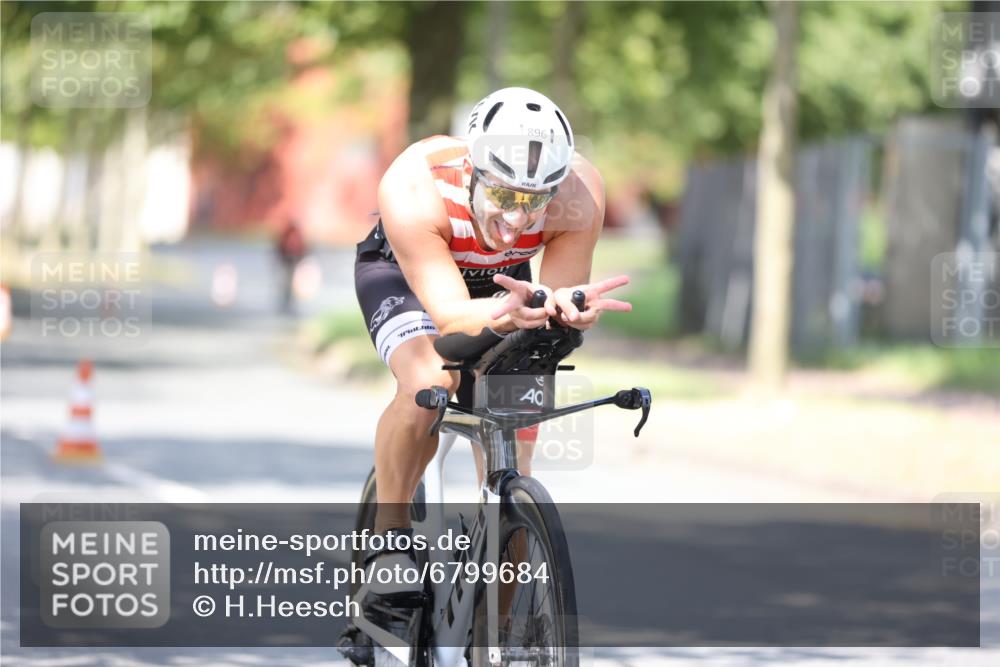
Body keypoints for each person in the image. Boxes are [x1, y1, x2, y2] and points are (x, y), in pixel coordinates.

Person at [353, 87, 631, 593]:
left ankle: (499, 632)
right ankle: (387, 542)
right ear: (472, 170)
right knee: (430, 381)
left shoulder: (578, 192)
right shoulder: (418, 182)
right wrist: (509, 316)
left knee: (514, 446)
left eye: (534, 200)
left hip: (507, 289)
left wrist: (567, 308)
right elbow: (452, 316)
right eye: (503, 195)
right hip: (412, 281)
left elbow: (555, 295)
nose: (519, 218)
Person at [276, 217, 307, 313]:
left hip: (294, 261)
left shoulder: (295, 235)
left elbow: (302, 249)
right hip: (287, 261)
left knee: (292, 283)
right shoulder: (287, 235)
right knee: (286, 282)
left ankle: (290, 301)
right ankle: (285, 301)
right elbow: (281, 248)